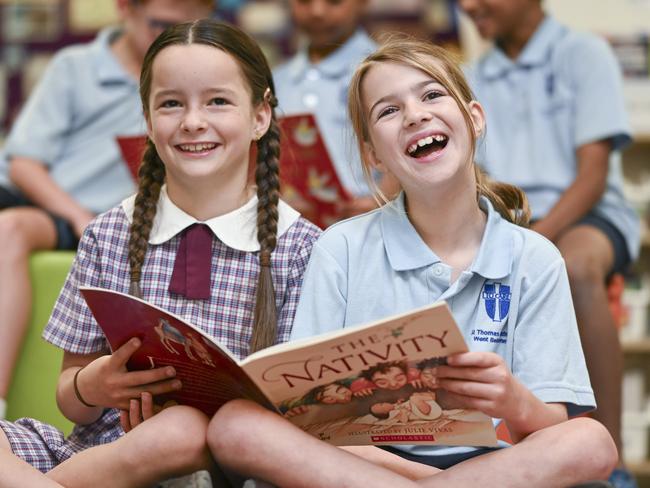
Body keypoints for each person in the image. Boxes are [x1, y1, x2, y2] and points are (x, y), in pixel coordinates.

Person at [206, 36, 618, 487]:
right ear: (373, 155)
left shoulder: (534, 257)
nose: (415, 115)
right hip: (370, 465)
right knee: (235, 426)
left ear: (474, 119)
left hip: (498, 465)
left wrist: (513, 399)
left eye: (432, 94)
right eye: (388, 111)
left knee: (591, 441)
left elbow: (551, 428)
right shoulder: (341, 247)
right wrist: (416, 476)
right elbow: (309, 417)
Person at [0, 19, 321, 487]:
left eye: (217, 101)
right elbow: (69, 396)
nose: (193, 121)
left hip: (226, 467)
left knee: (180, 430)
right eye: (171, 104)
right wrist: (94, 385)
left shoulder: (301, 247)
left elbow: (308, 415)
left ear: (260, 116)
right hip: (96, 460)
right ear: (148, 122)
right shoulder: (108, 234)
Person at [0, 0, 215, 421]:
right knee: (11, 225)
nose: (168, 36)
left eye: (187, 26)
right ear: (124, 10)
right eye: (158, 24)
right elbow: (24, 163)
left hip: (124, 218)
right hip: (60, 204)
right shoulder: (76, 67)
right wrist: (79, 215)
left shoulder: (196, 82)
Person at [459, 1, 640, 486]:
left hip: (587, 212)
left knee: (575, 268)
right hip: (505, 214)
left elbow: (593, 175)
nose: (468, 6)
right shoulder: (474, 73)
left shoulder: (583, 54)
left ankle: (613, 461)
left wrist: (536, 240)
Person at [273, 0, 398, 222]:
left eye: (334, 1)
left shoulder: (391, 71)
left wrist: (386, 197)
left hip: (377, 225)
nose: (317, 11)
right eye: (304, 1)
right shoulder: (276, 81)